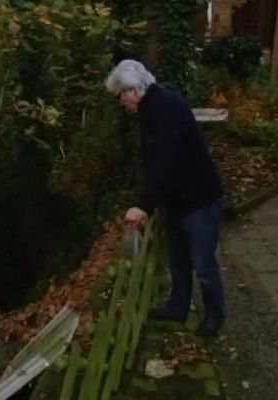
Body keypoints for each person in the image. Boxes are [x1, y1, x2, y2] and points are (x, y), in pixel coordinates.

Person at [105, 59, 226, 337]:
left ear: (133, 90)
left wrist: (144, 204)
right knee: (178, 260)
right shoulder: (152, 109)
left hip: (199, 198)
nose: (120, 102)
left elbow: (165, 162)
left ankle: (214, 315)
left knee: (203, 263)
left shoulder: (165, 109)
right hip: (178, 198)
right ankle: (178, 306)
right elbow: (154, 163)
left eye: (119, 96)